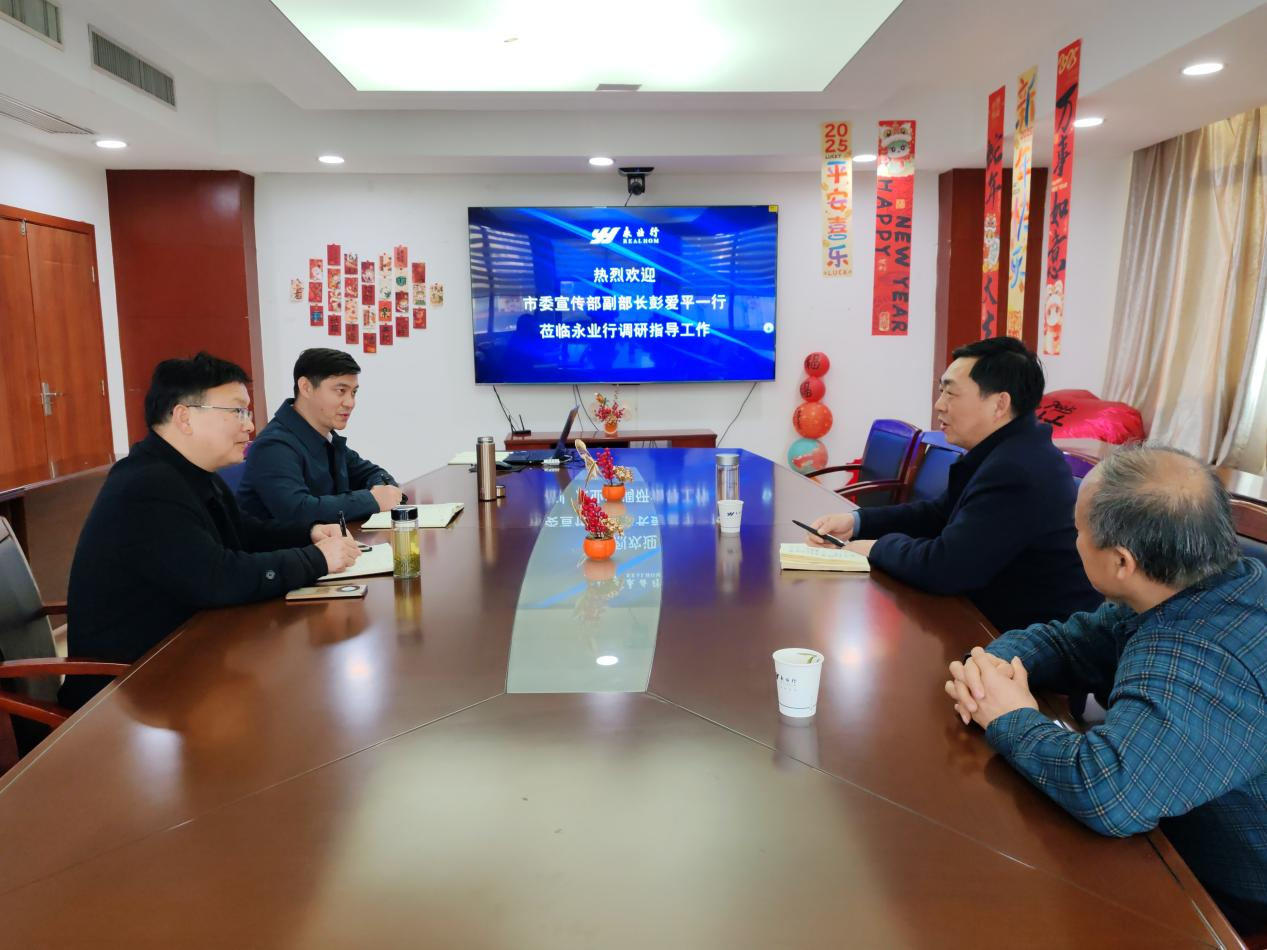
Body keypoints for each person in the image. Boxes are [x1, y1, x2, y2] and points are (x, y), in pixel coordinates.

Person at [945, 445, 1267, 935]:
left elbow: (1109, 794)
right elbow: (1069, 642)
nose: (1073, 540)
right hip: (1170, 816)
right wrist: (992, 668)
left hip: (1230, 886)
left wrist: (1011, 718)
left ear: (1121, 561)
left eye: (1078, 531)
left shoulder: (1202, 655)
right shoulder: (1196, 586)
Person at [62, 353, 362, 710]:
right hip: (128, 691)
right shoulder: (147, 486)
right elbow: (219, 577)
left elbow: (246, 533)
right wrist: (316, 560)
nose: (250, 426)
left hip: (183, 657)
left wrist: (309, 534)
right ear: (184, 417)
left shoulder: (189, 473)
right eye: (237, 412)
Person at [808, 336, 1101, 632]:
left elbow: (946, 568)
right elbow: (938, 514)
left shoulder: (1018, 469)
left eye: (951, 393)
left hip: (1028, 640)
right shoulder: (1004, 450)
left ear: (999, 404)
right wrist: (857, 522)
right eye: (941, 392)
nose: (939, 405)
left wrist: (876, 548)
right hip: (987, 615)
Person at [237, 348, 403, 526]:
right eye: (341, 390)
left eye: (353, 392)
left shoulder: (325, 436)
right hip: (283, 544)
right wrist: (372, 500)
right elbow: (298, 511)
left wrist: (383, 489)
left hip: (330, 540)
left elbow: (372, 473)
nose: (350, 403)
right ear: (306, 387)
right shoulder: (274, 446)